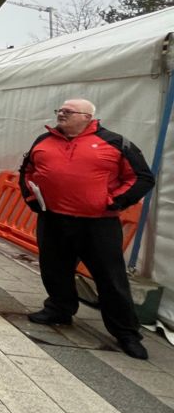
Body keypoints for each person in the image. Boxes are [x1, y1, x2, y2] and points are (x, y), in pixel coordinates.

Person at [19, 98, 155, 359]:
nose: (61, 114)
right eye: (59, 110)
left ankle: (126, 332)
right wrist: (31, 198)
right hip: (54, 218)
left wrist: (114, 201)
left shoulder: (115, 143)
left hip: (97, 223)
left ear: (87, 117)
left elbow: (141, 178)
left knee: (110, 278)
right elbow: (27, 171)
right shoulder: (43, 140)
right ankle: (59, 309)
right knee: (54, 268)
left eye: (68, 112)